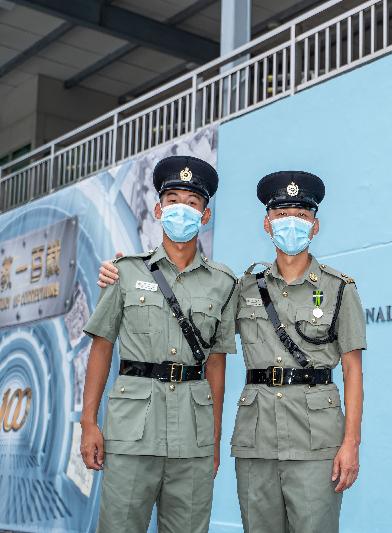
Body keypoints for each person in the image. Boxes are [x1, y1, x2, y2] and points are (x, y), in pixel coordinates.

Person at [97, 170, 366, 533]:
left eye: (301, 216)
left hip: (316, 439)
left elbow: (353, 373)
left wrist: (351, 443)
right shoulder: (242, 288)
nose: (291, 224)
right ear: (267, 223)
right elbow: (195, 316)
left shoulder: (340, 289)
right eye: (282, 215)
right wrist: (117, 275)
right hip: (256, 441)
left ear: (314, 226)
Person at [82, 155, 238, 533]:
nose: (181, 210)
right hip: (132, 432)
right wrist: (88, 423)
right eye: (173, 201)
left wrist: (213, 439)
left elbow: (216, 364)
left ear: (205, 216)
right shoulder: (126, 271)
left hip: (193, 437)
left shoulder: (224, 283)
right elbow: (101, 348)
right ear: (157, 209)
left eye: (192, 203)